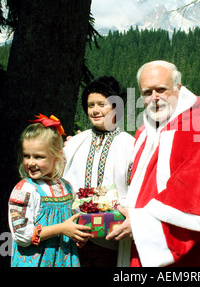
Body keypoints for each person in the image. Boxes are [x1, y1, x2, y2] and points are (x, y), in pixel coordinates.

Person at [106, 60, 200, 267]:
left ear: (178, 88)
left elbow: (199, 195)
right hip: (139, 242)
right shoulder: (145, 132)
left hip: (180, 252)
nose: (154, 98)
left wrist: (141, 223)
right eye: (147, 92)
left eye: (161, 89)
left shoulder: (197, 130)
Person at [63, 76, 135, 267]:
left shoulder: (130, 145)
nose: (95, 110)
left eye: (102, 104)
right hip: (74, 234)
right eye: (90, 105)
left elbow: (137, 189)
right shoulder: (75, 144)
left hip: (112, 238)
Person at [8, 114, 91, 267]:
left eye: (39, 157)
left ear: (56, 156)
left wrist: (78, 235)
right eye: (26, 156)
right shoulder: (25, 190)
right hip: (35, 261)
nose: (31, 163)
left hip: (64, 260)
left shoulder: (66, 187)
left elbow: (73, 221)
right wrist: (61, 229)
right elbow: (23, 235)